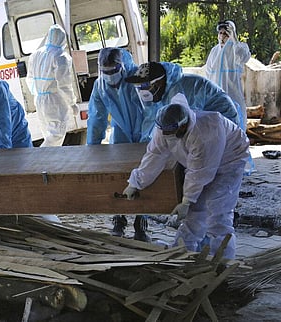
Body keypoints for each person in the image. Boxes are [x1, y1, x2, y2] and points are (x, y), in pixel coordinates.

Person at [122, 101, 250, 259]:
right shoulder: (164, 128)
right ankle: (182, 252)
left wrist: (187, 200)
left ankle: (222, 260)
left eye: (170, 131)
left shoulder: (206, 132)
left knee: (218, 212)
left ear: (183, 125)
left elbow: (199, 172)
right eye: (164, 131)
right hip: (204, 163)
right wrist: (136, 182)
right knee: (194, 211)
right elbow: (154, 155)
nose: (166, 135)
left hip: (230, 159)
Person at [87, 47, 150, 241]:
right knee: (118, 176)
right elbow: (96, 120)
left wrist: (150, 136)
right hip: (121, 133)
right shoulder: (100, 86)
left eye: (113, 71)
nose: (110, 76)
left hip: (144, 131)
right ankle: (119, 218)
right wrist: (93, 150)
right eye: (105, 72)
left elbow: (151, 108)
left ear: (122, 66)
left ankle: (141, 223)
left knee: (144, 176)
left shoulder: (137, 78)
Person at [125, 61, 240, 142]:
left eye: (145, 85)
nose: (142, 91)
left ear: (158, 82)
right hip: (207, 124)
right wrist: (144, 143)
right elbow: (151, 120)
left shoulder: (183, 91)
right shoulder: (161, 92)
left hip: (223, 125)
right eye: (138, 87)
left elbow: (187, 126)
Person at [26, 24, 78, 147]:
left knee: (47, 134)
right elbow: (64, 85)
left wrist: (39, 93)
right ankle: (40, 158)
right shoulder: (61, 56)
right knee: (56, 134)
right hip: (55, 101)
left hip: (39, 99)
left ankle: (50, 164)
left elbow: (30, 79)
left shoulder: (36, 54)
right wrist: (72, 103)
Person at [205, 20, 251, 129]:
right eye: (220, 33)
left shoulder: (238, 48)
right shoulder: (214, 51)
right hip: (216, 96)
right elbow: (208, 74)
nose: (222, 36)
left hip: (233, 95)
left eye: (225, 34)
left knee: (236, 126)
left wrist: (234, 40)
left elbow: (244, 56)